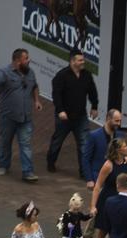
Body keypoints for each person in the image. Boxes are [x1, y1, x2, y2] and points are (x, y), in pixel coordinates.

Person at [0, 48, 41, 182]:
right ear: (17, 61)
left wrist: (37, 101)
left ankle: (27, 172)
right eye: (26, 58)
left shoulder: (30, 73)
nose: (29, 60)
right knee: (6, 141)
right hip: (8, 116)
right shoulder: (5, 72)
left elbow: (34, 87)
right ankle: (3, 165)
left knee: (26, 144)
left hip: (26, 117)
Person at [46, 49, 98, 177]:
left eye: (83, 59)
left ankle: (84, 171)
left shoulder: (86, 75)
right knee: (57, 141)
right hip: (64, 118)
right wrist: (60, 110)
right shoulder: (62, 76)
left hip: (80, 117)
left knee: (84, 144)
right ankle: (51, 162)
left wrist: (94, 106)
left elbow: (92, 91)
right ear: (72, 61)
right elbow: (56, 95)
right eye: (80, 60)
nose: (83, 62)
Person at [89, 138, 127, 238]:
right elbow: (97, 186)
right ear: (118, 149)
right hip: (108, 201)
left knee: (126, 231)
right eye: (125, 145)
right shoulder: (108, 165)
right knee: (103, 231)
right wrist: (93, 206)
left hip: (125, 199)